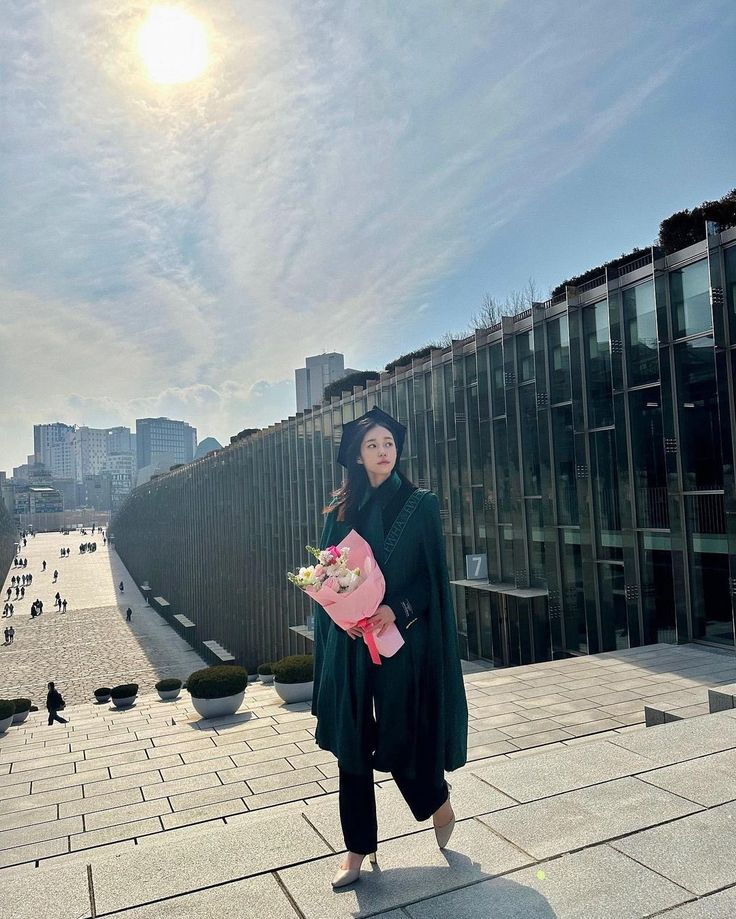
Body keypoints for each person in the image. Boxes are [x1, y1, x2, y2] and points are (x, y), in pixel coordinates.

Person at [311, 407, 468, 889]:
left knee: (401, 735)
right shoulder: (340, 511)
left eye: (389, 444)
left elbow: (431, 581)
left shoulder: (419, 505)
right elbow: (326, 575)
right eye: (373, 445)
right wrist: (344, 615)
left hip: (401, 642)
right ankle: (356, 848)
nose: (383, 452)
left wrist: (394, 608)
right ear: (357, 457)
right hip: (353, 645)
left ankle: (435, 800)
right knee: (353, 744)